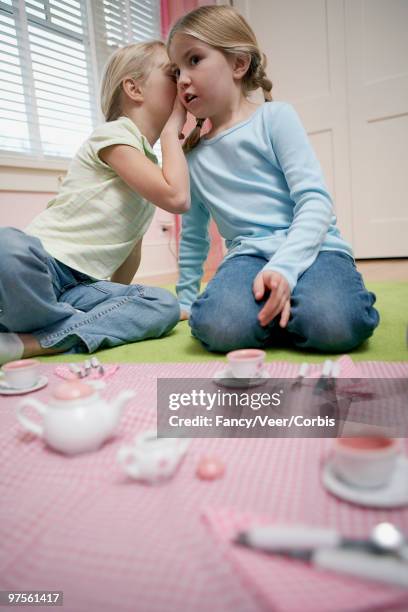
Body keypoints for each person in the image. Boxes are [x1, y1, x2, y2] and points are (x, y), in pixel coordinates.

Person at [167, 5, 379, 353]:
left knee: (336, 325)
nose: (183, 79)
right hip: (246, 258)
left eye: (194, 60)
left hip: (315, 249)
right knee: (219, 327)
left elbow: (315, 202)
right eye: (176, 71)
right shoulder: (191, 159)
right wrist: (188, 300)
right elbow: (193, 237)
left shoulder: (275, 118)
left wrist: (285, 268)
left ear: (239, 64)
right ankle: (284, 312)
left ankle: (288, 309)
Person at [0, 41, 189, 365]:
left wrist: (118, 301)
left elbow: (130, 248)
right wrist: (173, 130)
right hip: (43, 266)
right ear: (134, 88)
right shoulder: (113, 134)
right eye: (173, 73)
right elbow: (177, 197)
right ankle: (66, 324)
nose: (183, 81)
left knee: (164, 305)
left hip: (82, 288)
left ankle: (31, 341)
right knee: (7, 245)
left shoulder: (148, 167)